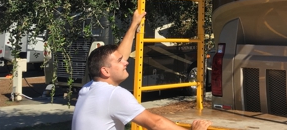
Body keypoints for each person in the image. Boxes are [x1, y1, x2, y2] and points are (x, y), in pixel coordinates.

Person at [72, 10, 211, 130]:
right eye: (120, 61)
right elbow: (156, 124)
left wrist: (134, 25)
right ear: (105, 71)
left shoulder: (88, 89)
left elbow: (119, 56)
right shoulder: (114, 94)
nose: (126, 62)